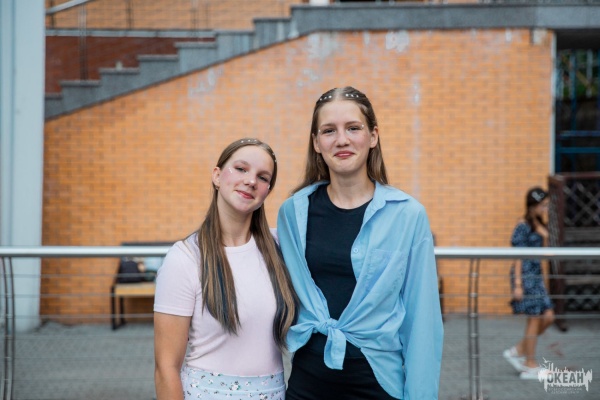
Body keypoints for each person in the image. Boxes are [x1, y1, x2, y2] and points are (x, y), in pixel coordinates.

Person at [276, 86, 443, 399]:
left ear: (373, 136)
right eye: (329, 130)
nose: (342, 140)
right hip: (307, 382)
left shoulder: (407, 215)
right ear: (316, 143)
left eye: (353, 128)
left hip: (377, 383)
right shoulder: (292, 213)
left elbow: (422, 320)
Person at [154, 138, 297, 400]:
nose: (251, 181)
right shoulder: (185, 258)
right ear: (217, 176)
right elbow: (166, 368)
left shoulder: (281, 248)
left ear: (267, 191)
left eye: (263, 177)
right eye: (241, 169)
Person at [503, 187, 555, 380]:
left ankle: (518, 350)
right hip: (525, 276)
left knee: (548, 317)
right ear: (533, 206)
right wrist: (518, 284)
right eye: (543, 205)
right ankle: (530, 364)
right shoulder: (523, 225)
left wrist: (545, 236)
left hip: (536, 275)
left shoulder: (538, 224)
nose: (545, 209)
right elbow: (518, 257)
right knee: (534, 318)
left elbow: (545, 254)